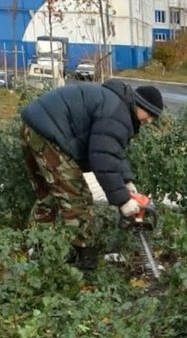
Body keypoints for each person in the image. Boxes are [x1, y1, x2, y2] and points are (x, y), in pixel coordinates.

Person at [20, 79, 164, 270]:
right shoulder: (118, 114)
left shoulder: (116, 105)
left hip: (32, 128)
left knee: (49, 196)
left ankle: (39, 251)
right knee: (78, 197)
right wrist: (123, 200)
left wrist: (126, 182)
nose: (149, 121)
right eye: (150, 115)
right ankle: (85, 260)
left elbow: (111, 151)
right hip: (49, 135)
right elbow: (102, 159)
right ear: (140, 105)